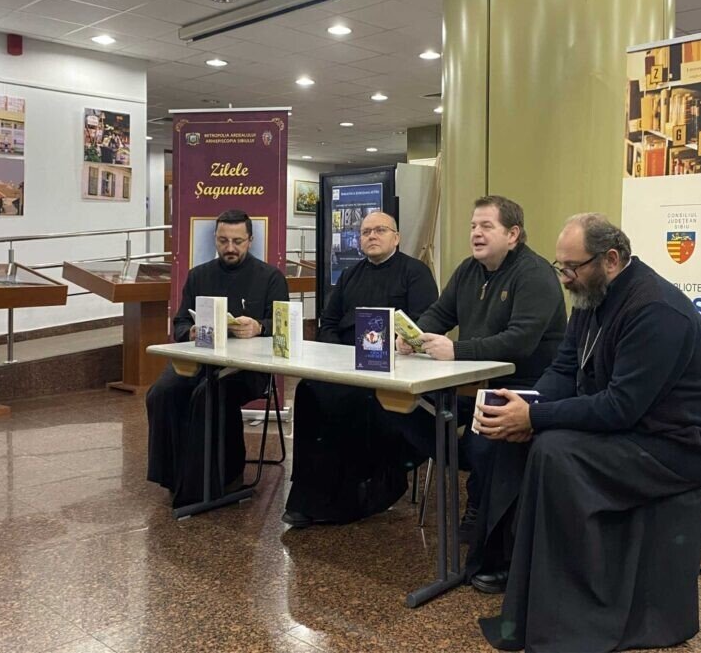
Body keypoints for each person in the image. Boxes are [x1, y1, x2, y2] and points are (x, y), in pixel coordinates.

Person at [474, 213, 701, 652]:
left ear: (610, 259)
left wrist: (536, 418)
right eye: (561, 266)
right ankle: (509, 573)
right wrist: (526, 406)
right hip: (632, 430)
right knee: (514, 436)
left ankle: (571, 613)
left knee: (552, 450)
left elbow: (621, 406)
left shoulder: (656, 311)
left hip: (673, 448)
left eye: (573, 267)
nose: (565, 278)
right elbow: (564, 369)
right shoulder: (592, 295)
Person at [396, 195, 567, 541]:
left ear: (513, 234)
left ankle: (481, 503)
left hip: (521, 384)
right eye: (473, 226)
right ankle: (476, 472)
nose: (476, 233)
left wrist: (456, 350)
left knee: (483, 437)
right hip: (468, 384)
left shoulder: (535, 275)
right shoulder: (468, 270)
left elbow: (519, 341)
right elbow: (440, 314)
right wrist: (413, 336)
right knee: (402, 408)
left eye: (487, 226)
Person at [282, 211, 438, 527]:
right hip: (345, 366)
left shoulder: (415, 273)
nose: (371, 236)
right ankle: (307, 494)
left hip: (392, 371)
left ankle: (353, 497)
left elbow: (425, 325)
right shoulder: (350, 275)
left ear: (396, 237)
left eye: (380, 230)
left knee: (348, 400)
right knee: (308, 390)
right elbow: (328, 321)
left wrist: (402, 345)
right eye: (365, 232)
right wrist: (337, 355)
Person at [146, 209, 289, 508]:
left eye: (237, 241)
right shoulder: (199, 275)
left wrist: (260, 327)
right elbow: (180, 323)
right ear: (215, 239)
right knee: (162, 392)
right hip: (202, 359)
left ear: (250, 241)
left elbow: (283, 327)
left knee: (210, 394)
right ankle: (173, 475)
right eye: (223, 241)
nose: (230, 248)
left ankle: (223, 476)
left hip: (248, 369)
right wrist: (190, 331)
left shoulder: (270, 278)